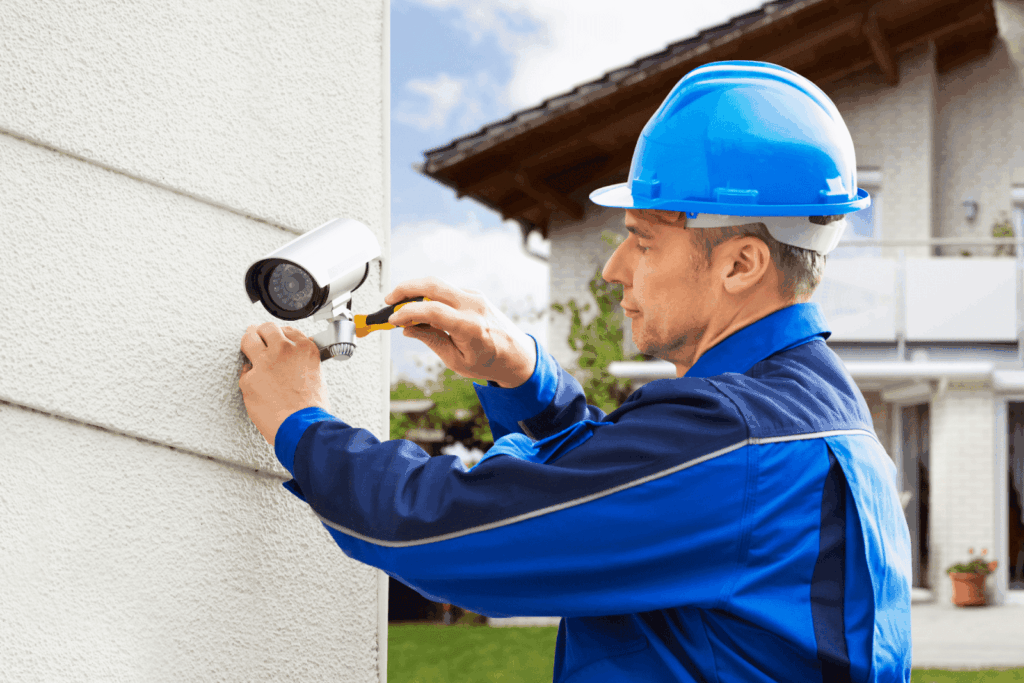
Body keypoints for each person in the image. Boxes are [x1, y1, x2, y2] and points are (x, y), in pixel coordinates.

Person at [239, 61, 912, 682]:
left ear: (741, 264)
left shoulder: (732, 438)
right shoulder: (810, 415)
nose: (615, 268)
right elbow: (623, 503)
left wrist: (300, 420)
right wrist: (524, 379)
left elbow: (445, 530)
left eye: (643, 239)